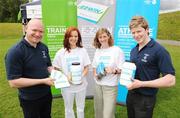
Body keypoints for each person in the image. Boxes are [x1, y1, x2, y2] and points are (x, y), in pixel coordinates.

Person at [126, 16, 176, 118]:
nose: (136, 35)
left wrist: (141, 84)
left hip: (146, 98)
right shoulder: (134, 50)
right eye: (133, 32)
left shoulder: (159, 50)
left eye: (139, 31)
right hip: (131, 95)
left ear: (147, 30)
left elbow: (171, 80)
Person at [5, 19, 54, 118]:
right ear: (26, 29)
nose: (37, 34)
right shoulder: (15, 52)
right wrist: (43, 81)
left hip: (46, 95)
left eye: (41, 31)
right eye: (34, 30)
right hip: (30, 99)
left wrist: (58, 74)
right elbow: (13, 82)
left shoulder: (43, 47)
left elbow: (48, 66)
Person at [52, 26, 91, 118]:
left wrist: (81, 76)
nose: (74, 38)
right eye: (71, 36)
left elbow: (86, 67)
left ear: (79, 38)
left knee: (80, 108)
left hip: (81, 86)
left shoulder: (83, 51)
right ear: (67, 37)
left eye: (76, 36)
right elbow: (55, 69)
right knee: (68, 109)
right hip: (67, 87)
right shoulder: (61, 52)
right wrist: (65, 78)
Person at [92, 28, 125, 118]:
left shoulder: (117, 50)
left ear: (109, 36)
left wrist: (113, 70)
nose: (102, 39)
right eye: (100, 37)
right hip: (98, 84)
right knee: (98, 111)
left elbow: (122, 69)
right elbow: (94, 66)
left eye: (104, 36)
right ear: (97, 39)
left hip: (110, 86)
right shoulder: (98, 51)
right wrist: (95, 74)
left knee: (108, 114)